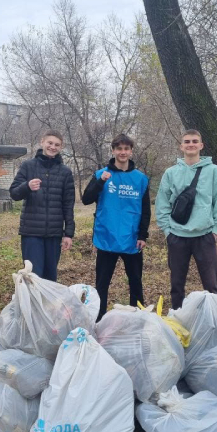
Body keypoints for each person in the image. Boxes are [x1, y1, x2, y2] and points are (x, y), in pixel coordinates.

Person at [155, 129, 217, 309]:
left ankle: (213, 322)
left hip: (205, 236)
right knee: (177, 286)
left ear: (201, 145)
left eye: (194, 141)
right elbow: (162, 203)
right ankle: (178, 322)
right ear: (181, 146)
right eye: (187, 142)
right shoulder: (171, 173)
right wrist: (168, 230)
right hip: (177, 236)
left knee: (211, 286)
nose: (191, 144)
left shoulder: (213, 171)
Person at [81, 133, 150, 321]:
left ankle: (139, 319)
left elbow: (145, 210)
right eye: (119, 148)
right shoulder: (101, 174)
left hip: (132, 239)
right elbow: (86, 199)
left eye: (126, 149)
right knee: (102, 284)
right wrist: (100, 181)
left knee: (135, 282)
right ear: (113, 151)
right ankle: (99, 319)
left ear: (131, 151)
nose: (122, 152)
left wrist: (143, 235)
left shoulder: (141, 179)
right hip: (107, 238)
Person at [9, 130, 75, 282]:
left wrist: (68, 234)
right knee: (33, 276)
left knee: (50, 277)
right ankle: (32, 305)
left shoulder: (65, 172)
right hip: (31, 232)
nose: (53, 147)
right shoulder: (28, 166)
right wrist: (27, 186)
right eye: (50, 143)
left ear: (61, 147)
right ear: (42, 142)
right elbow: (14, 193)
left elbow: (68, 205)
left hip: (54, 233)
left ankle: (47, 306)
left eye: (57, 145)